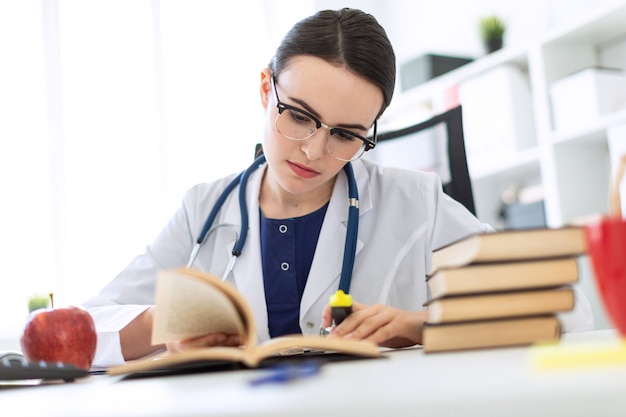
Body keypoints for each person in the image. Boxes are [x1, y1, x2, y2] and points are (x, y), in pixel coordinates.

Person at [83, 8, 593, 367]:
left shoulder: (413, 203)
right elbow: (82, 329)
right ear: (267, 89)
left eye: (347, 135)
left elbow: (565, 306)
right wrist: (163, 323)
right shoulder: (204, 209)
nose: (313, 151)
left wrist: (420, 324)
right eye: (299, 116)